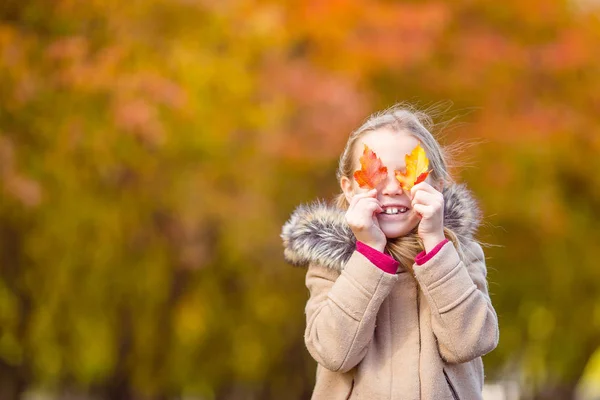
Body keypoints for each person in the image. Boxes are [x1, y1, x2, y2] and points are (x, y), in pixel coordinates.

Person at [281, 104, 499, 400]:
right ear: (348, 188)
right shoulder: (330, 262)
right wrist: (369, 253)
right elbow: (333, 353)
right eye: (376, 174)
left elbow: (470, 341)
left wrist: (435, 243)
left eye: (409, 173)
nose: (394, 187)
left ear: (439, 185)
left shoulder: (460, 254)